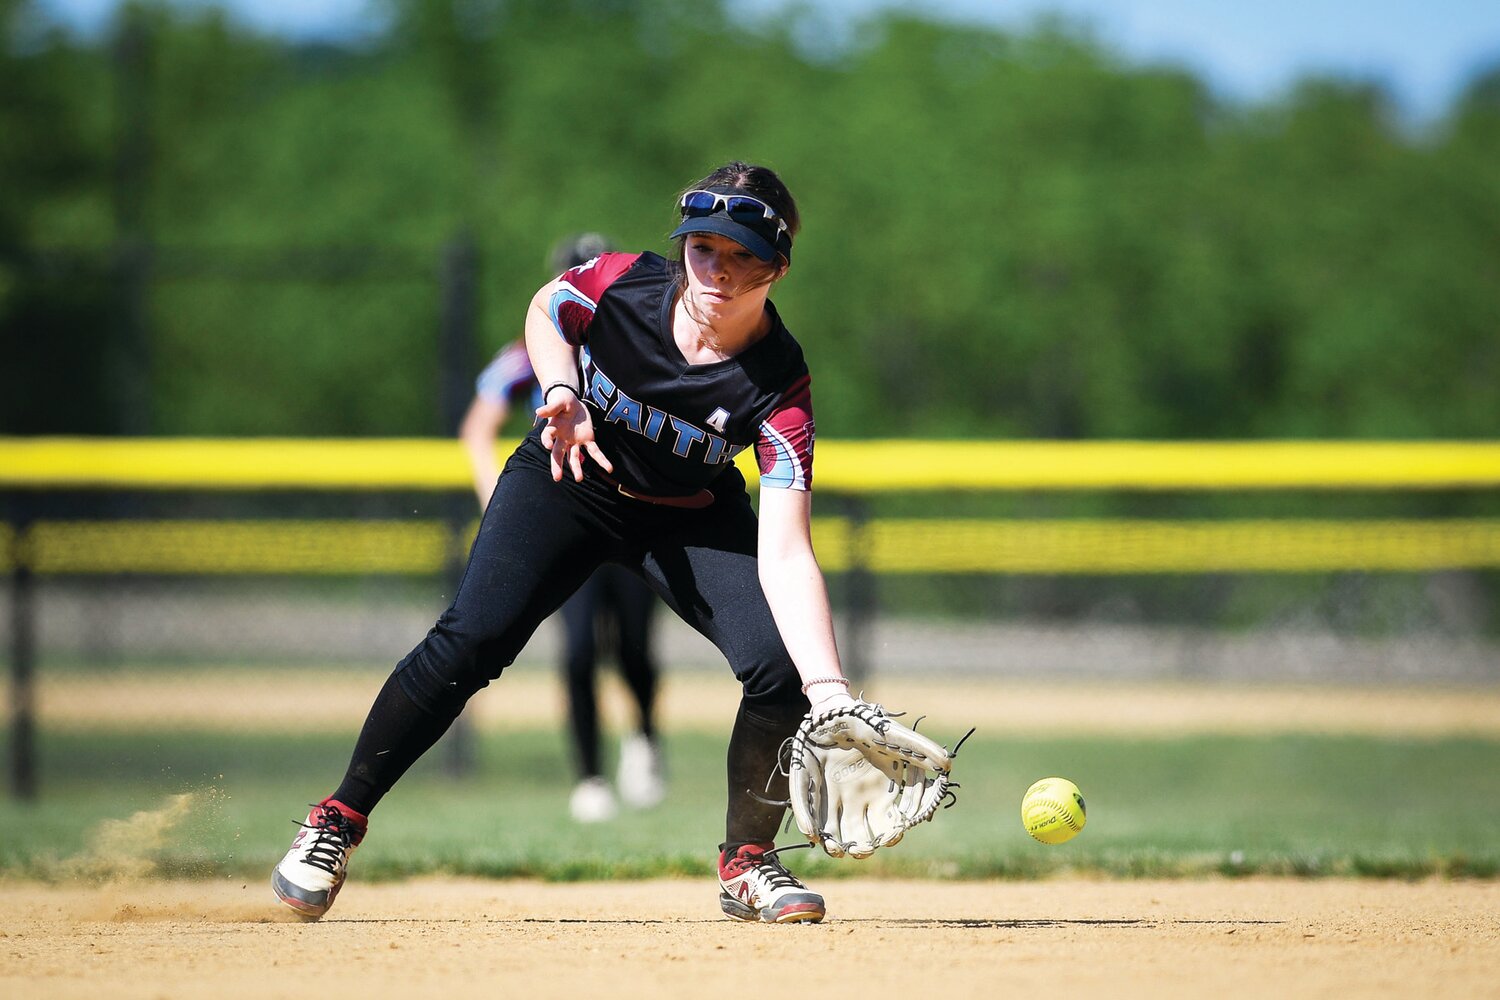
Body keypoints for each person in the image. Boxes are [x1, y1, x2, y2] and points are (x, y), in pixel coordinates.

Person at [273, 161, 857, 925]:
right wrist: (561, 392)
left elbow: (785, 551)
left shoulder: (778, 385)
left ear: (777, 266)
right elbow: (550, 308)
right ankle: (336, 822)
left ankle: (748, 861)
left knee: (779, 668)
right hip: (568, 473)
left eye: (743, 254)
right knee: (471, 640)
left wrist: (831, 692)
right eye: (704, 246)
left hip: (687, 512)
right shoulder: (622, 285)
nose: (716, 268)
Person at [458, 233, 666, 823]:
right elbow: (479, 425)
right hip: (566, 517)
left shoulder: (640, 349)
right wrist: (497, 500)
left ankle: (646, 739)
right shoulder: (527, 354)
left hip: (632, 515)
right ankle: (590, 777)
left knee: (631, 646)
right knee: (577, 649)